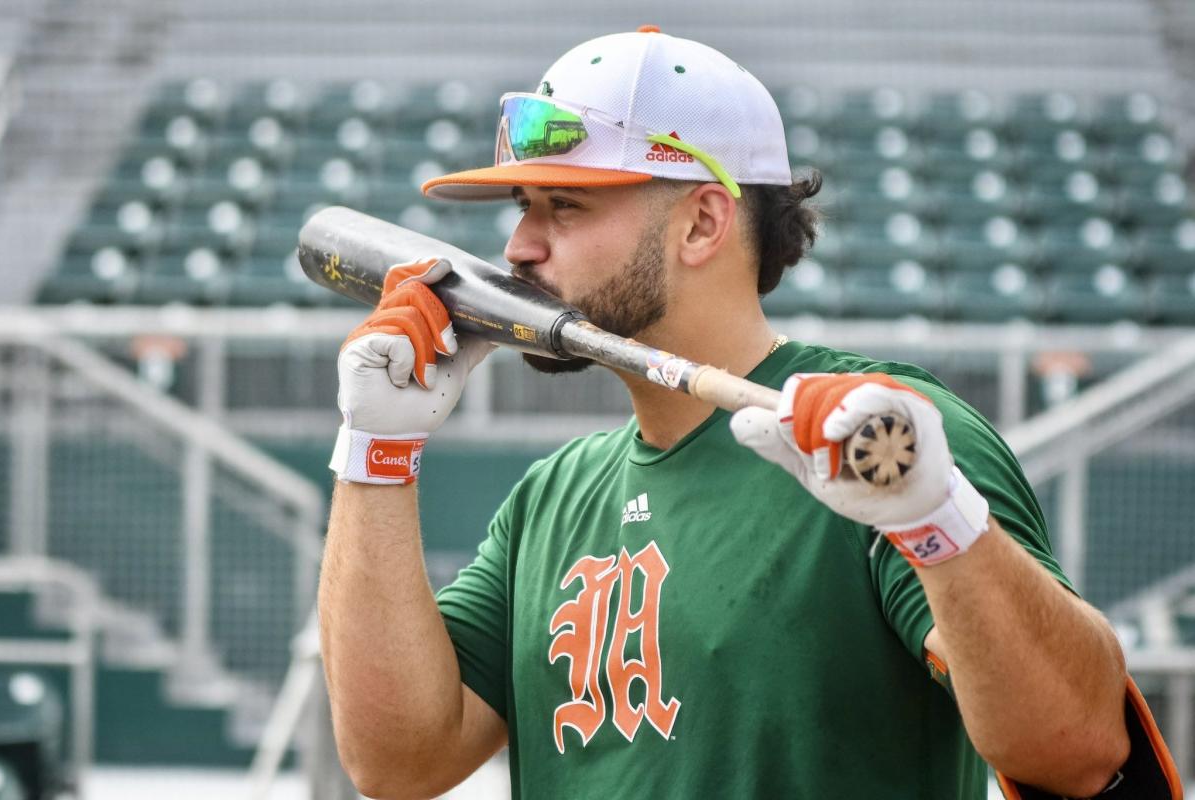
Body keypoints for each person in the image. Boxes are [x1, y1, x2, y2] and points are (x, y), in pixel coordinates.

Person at [318, 26, 1171, 800]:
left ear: (701, 223)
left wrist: (937, 521)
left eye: (564, 206)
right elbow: (399, 763)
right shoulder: (551, 497)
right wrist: (376, 452)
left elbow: (1079, 749)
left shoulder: (884, 440)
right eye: (523, 209)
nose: (517, 248)